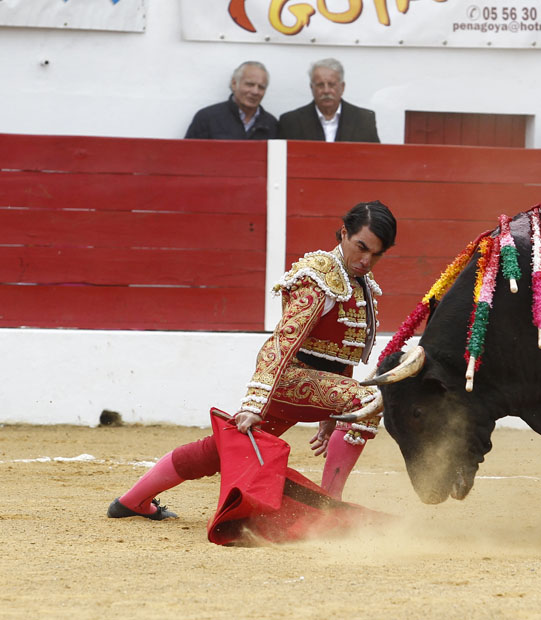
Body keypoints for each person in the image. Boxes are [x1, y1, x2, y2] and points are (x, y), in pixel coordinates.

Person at [107, 201, 397, 520]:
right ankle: (330, 507)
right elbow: (281, 343)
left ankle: (132, 501)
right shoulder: (319, 278)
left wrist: (335, 412)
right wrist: (253, 404)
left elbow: (341, 351)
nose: (367, 260)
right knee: (369, 400)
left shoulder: (357, 281)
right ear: (344, 233)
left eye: (377, 254)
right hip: (288, 380)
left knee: (221, 451)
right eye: (361, 247)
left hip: (309, 384)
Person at [278, 58, 380, 143]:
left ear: (342, 87)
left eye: (331, 85)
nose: (326, 91)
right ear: (311, 88)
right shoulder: (291, 122)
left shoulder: (364, 120)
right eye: (320, 85)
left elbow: (375, 157)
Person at [184, 61, 278, 140]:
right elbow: (188, 153)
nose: (255, 91)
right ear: (234, 84)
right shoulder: (207, 118)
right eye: (250, 84)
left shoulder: (271, 124)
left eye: (261, 87)